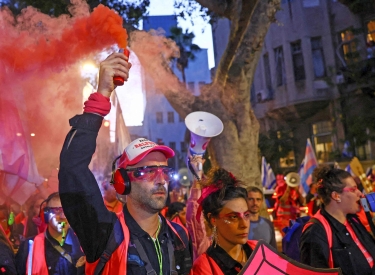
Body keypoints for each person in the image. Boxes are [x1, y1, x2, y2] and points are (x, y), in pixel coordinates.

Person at [58, 51, 192, 275]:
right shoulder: (105, 232)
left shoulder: (179, 234)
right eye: (148, 171)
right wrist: (101, 96)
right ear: (122, 182)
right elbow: (72, 168)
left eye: (163, 171)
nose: (161, 180)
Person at [300, 166, 375, 275]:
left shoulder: (353, 220)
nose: (360, 194)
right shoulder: (316, 232)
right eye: (353, 189)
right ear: (336, 196)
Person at [191, 167, 257, 275]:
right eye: (233, 217)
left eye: (246, 215)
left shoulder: (258, 250)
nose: (244, 224)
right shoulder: (205, 267)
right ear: (213, 219)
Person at [15, 192, 86, 275]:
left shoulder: (84, 244)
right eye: (57, 211)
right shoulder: (30, 246)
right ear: (46, 214)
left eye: (66, 211)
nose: (63, 216)